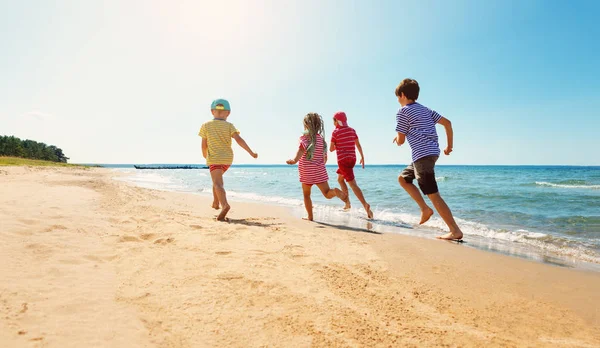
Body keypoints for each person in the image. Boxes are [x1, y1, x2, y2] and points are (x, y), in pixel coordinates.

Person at [393, 79, 463, 240]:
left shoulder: (402, 111)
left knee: (433, 193)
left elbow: (401, 140)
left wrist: (396, 139)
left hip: (422, 156)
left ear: (402, 95)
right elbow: (448, 123)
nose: (398, 100)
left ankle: (454, 230)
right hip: (430, 153)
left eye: (398, 97)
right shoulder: (426, 110)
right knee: (403, 178)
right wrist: (449, 147)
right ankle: (425, 209)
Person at [199, 98, 258, 221]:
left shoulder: (206, 125)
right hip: (227, 159)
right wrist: (251, 152)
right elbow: (239, 140)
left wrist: (205, 155)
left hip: (214, 158)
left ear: (212, 111)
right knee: (217, 181)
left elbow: (203, 144)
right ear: (228, 113)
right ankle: (215, 203)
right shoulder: (230, 126)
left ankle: (224, 205)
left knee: (217, 183)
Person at [286, 112, 347, 221]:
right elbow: (325, 158)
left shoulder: (305, 138)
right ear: (318, 126)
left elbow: (300, 151)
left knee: (306, 195)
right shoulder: (322, 141)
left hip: (306, 172)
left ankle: (310, 217)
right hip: (319, 171)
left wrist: (294, 160)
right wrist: (319, 165)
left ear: (306, 125)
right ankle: (335, 192)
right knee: (327, 193)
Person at [329, 111, 373, 219]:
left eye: (333, 121)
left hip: (343, 161)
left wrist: (337, 145)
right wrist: (362, 157)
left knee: (353, 184)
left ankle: (365, 206)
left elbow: (330, 149)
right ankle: (347, 204)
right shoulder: (352, 130)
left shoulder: (335, 132)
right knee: (340, 179)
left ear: (337, 121)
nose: (333, 123)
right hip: (352, 160)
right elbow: (358, 144)